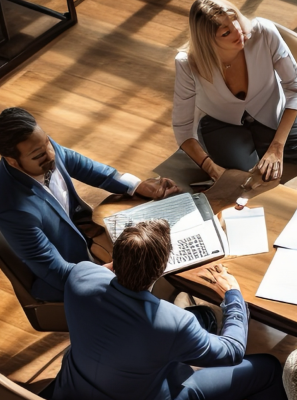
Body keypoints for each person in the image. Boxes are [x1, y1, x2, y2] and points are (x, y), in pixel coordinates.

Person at [46, 220, 294, 400]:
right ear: (162, 267)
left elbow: (98, 273)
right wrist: (233, 296)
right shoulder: (172, 323)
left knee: (202, 320)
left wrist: (126, 262)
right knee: (269, 369)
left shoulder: (80, 276)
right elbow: (233, 351)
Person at [0, 107, 179, 302]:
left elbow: (84, 166)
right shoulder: (14, 209)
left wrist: (136, 186)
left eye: (48, 142)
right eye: (39, 155)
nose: (51, 154)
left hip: (86, 236)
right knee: (144, 281)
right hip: (66, 273)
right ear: (12, 161)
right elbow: (50, 267)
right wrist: (100, 275)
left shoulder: (42, 148)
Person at [172, 0, 297, 199]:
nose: (238, 31)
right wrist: (213, 169)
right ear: (208, 42)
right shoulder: (188, 64)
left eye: (235, 19)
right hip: (222, 126)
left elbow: (295, 87)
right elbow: (182, 128)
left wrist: (277, 146)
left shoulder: (264, 33)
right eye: (226, 32)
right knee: (247, 183)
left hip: (274, 109)